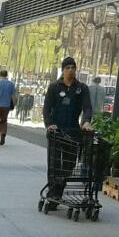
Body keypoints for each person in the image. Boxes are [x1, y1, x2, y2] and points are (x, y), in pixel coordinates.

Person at [43, 58, 92, 203]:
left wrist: (86, 122)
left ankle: (58, 189)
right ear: (63, 70)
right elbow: (46, 108)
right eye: (67, 68)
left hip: (73, 132)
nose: (70, 70)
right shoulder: (54, 87)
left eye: (73, 67)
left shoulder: (81, 88)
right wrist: (49, 124)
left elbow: (87, 107)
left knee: (69, 164)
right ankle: (53, 194)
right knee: (55, 164)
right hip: (56, 132)